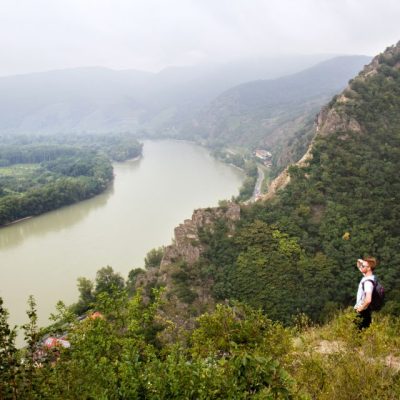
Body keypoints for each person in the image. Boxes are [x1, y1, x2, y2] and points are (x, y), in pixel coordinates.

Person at [354, 256, 377, 330]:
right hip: (366, 310)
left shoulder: (367, 282)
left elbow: (368, 300)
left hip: (363, 311)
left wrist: (360, 309)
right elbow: (359, 266)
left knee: (359, 335)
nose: (361, 267)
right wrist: (361, 262)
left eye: (363, 266)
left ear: (369, 268)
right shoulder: (370, 277)